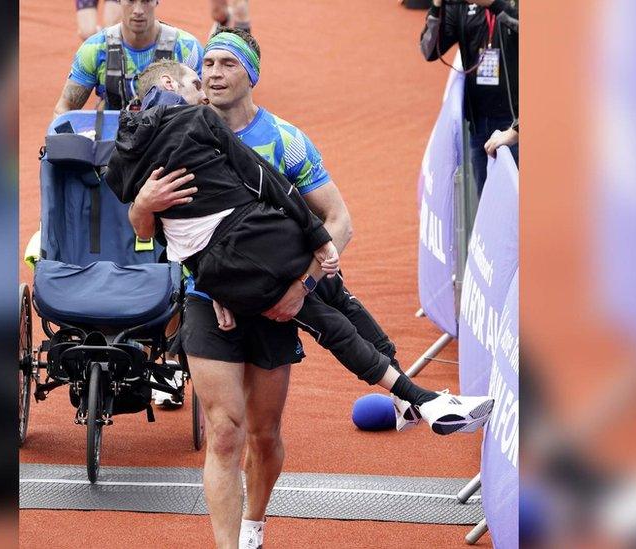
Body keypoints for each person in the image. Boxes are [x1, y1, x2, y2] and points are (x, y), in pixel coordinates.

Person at [123, 52, 493, 549]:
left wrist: (303, 286)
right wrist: (144, 209)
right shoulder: (174, 133)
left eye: (226, 63)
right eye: (205, 64)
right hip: (209, 298)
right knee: (225, 431)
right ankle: (229, 544)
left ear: (250, 74)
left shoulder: (285, 140)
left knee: (264, 433)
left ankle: (254, 523)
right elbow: (153, 234)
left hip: (285, 282)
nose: (212, 73)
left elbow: (339, 221)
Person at [420, 0, 519, 195]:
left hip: (516, 124)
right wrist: (436, 7)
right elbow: (429, 50)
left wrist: (494, 4)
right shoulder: (461, 6)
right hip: (479, 125)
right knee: (486, 204)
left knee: (521, 206)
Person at [54, 0, 203, 115]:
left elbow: (207, 105)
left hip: (170, 144)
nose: (138, 10)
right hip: (111, 146)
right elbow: (65, 108)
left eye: (145, 1)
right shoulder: (94, 49)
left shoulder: (187, 48)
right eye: (130, 0)